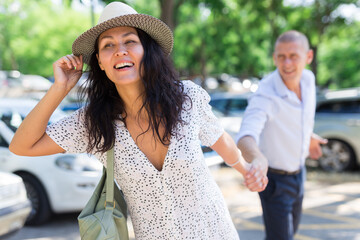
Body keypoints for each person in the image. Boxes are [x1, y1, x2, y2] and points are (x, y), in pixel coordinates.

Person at [9, 2, 268, 239]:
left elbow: (218, 138)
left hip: (215, 231)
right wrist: (59, 89)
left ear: (146, 50)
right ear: (99, 61)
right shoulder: (93, 123)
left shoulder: (186, 97)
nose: (119, 51)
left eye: (129, 41)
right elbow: (22, 146)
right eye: (108, 45)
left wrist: (246, 170)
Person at [236, 30, 327, 240]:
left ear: (309, 57)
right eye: (280, 57)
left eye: (293, 56)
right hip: (275, 181)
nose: (287, 63)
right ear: (274, 57)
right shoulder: (265, 94)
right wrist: (258, 158)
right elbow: (245, 137)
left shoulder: (308, 79)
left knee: (289, 233)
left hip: (300, 173)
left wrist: (309, 137)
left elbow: (298, 118)